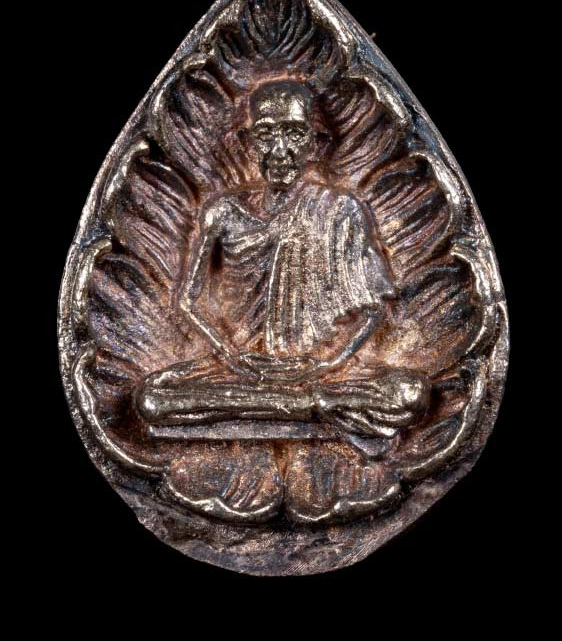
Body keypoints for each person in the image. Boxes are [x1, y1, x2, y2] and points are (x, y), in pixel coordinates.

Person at [136, 79, 428, 523]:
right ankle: (312, 407)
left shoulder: (340, 210)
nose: (280, 149)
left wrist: (330, 363)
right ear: (248, 142)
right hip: (240, 372)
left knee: (409, 393)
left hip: (322, 371)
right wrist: (230, 356)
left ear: (314, 142)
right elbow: (188, 302)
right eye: (266, 134)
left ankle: (305, 401)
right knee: (153, 400)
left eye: (293, 133)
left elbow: (374, 309)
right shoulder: (222, 211)